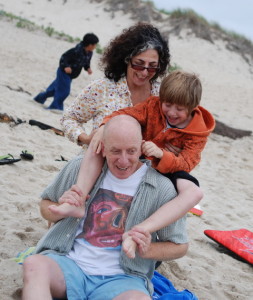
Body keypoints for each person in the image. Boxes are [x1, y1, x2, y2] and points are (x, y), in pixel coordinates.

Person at [22, 115, 189, 300]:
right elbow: (45, 204)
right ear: (103, 145)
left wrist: (147, 249)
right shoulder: (79, 168)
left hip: (123, 278)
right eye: (115, 151)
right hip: (69, 263)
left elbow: (180, 246)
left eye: (131, 151)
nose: (123, 161)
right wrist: (59, 209)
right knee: (33, 264)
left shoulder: (161, 187)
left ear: (142, 145)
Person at [54, 70, 214, 258]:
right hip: (136, 155)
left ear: (193, 107)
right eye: (168, 104)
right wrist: (104, 126)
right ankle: (78, 198)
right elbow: (125, 114)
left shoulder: (199, 130)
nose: (171, 112)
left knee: (195, 192)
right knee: (100, 142)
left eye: (179, 109)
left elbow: (188, 162)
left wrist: (163, 155)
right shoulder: (153, 105)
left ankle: (145, 228)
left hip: (169, 166)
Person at [60, 22, 169, 148]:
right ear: (126, 59)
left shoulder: (162, 94)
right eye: (138, 63)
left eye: (152, 66)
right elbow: (68, 118)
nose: (144, 72)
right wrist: (86, 139)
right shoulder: (103, 88)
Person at [33, 33, 99, 111]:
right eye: (95, 45)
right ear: (90, 45)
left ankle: (39, 99)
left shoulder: (89, 53)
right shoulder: (76, 51)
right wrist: (66, 66)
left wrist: (87, 68)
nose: (95, 47)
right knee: (64, 91)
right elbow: (64, 58)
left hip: (71, 75)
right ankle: (55, 107)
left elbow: (86, 62)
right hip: (63, 73)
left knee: (53, 90)